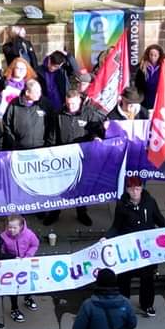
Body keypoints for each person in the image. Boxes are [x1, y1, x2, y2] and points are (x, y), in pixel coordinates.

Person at [105, 177, 165, 316]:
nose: (135, 192)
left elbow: (159, 219)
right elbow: (116, 226)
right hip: (129, 250)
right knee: (124, 279)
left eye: (137, 188)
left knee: (147, 279)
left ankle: (147, 305)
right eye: (132, 189)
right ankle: (123, 304)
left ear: (141, 188)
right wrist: (107, 237)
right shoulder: (122, 205)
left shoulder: (150, 202)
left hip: (146, 249)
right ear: (127, 190)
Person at [42, 88, 103, 226]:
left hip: (82, 157)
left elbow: (96, 131)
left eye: (73, 104)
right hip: (62, 157)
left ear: (79, 101)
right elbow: (52, 135)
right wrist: (49, 152)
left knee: (81, 186)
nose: (71, 107)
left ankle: (82, 212)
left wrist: (96, 137)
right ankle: (54, 212)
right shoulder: (58, 114)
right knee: (58, 187)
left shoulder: (89, 113)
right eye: (68, 104)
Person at [0, 215, 40, 322]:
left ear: (21, 226)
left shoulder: (29, 234)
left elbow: (35, 245)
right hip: (12, 266)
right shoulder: (3, 236)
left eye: (14, 228)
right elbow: (1, 251)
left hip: (26, 263)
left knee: (28, 283)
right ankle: (14, 308)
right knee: (13, 288)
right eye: (9, 227)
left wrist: (28, 256)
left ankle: (28, 298)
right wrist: (11, 259)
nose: (11, 230)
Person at [2, 79, 48, 150]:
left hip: (41, 148)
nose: (39, 94)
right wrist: (14, 142)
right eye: (36, 92)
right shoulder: (14, 105)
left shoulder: (44, 103)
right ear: (27, 92)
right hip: (21, 149)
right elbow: (6, 124)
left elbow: (51, 122)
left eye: (40, 91)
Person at [134, 45, 165, 111]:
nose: (152, 57)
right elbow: (137, 84)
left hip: (158, 97)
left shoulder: (164, 68)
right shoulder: (142, 66)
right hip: (145, 98)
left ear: (159, 56)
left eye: (155, 55)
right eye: (151, 55)